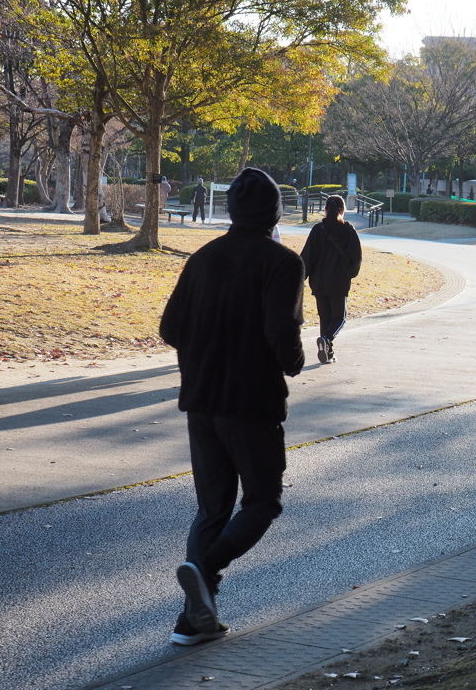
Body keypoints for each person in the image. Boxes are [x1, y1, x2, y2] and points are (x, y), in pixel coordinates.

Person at [159, 167, 306, 646]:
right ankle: (204, 568)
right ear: (274, 212)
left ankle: (192, 621)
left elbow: (169, 329)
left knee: (211, 509)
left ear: (231, 210)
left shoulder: (202, 258)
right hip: (251, 403)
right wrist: (294, 361)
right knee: (263, 501)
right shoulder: (282, 262)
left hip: (201, 401)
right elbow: (281, 334)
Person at [300, 195, 362, 364]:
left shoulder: (317, 229)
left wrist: (300, 278)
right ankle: (326, 339)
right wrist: (348, 274)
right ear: (343, 211)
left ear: (326, 210)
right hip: (338, 281)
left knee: (325, 317)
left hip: (318, 281)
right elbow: (356, 258)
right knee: (339, 317)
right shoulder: (348, 230)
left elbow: (306, 256)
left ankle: (328, 352)